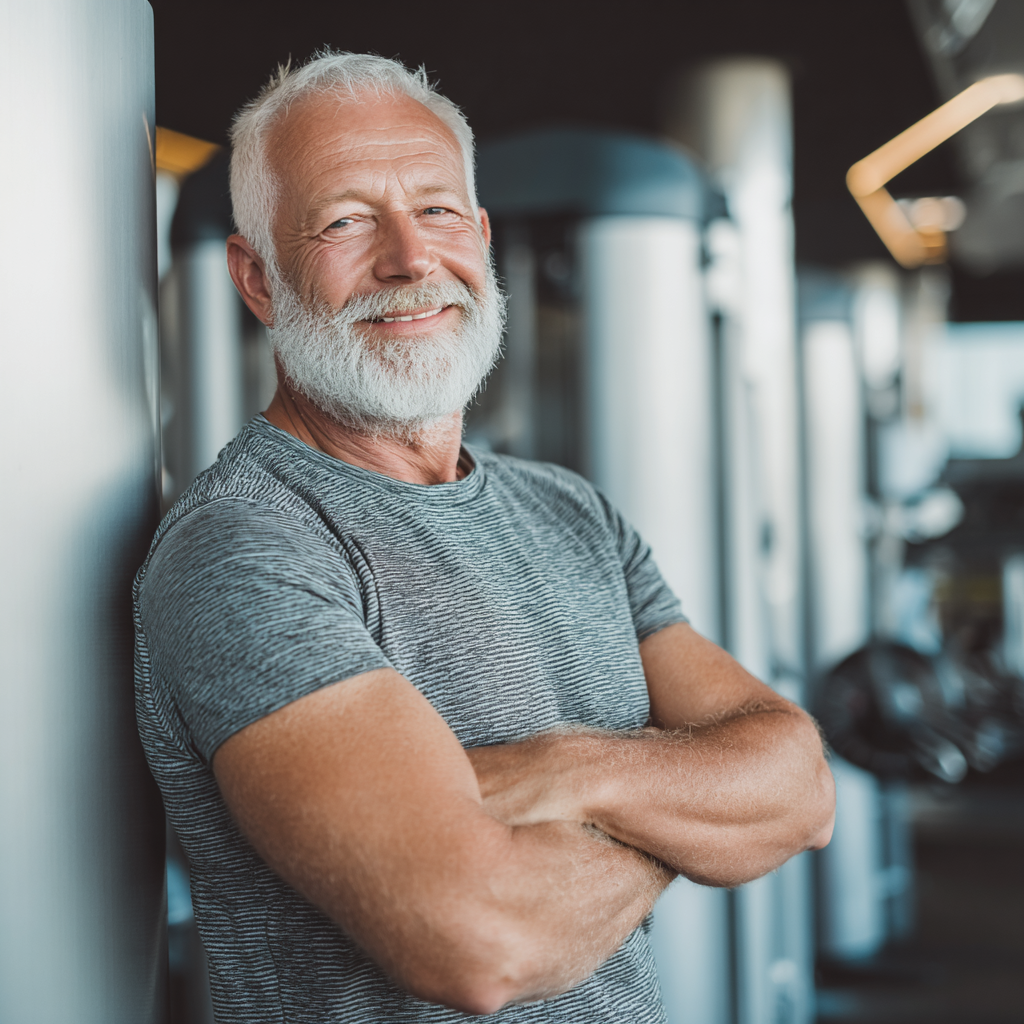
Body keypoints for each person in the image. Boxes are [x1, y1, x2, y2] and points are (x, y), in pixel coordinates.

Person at [135, 50, 835, 1024]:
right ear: (257, 277)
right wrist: (681, 813)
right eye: (345, 220)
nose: (410, 260)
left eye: (437, 210)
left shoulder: (571, 512)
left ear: (482, 235)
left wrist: (566, 772)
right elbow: (478, 943)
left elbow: (798, 788)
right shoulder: (243, 547)